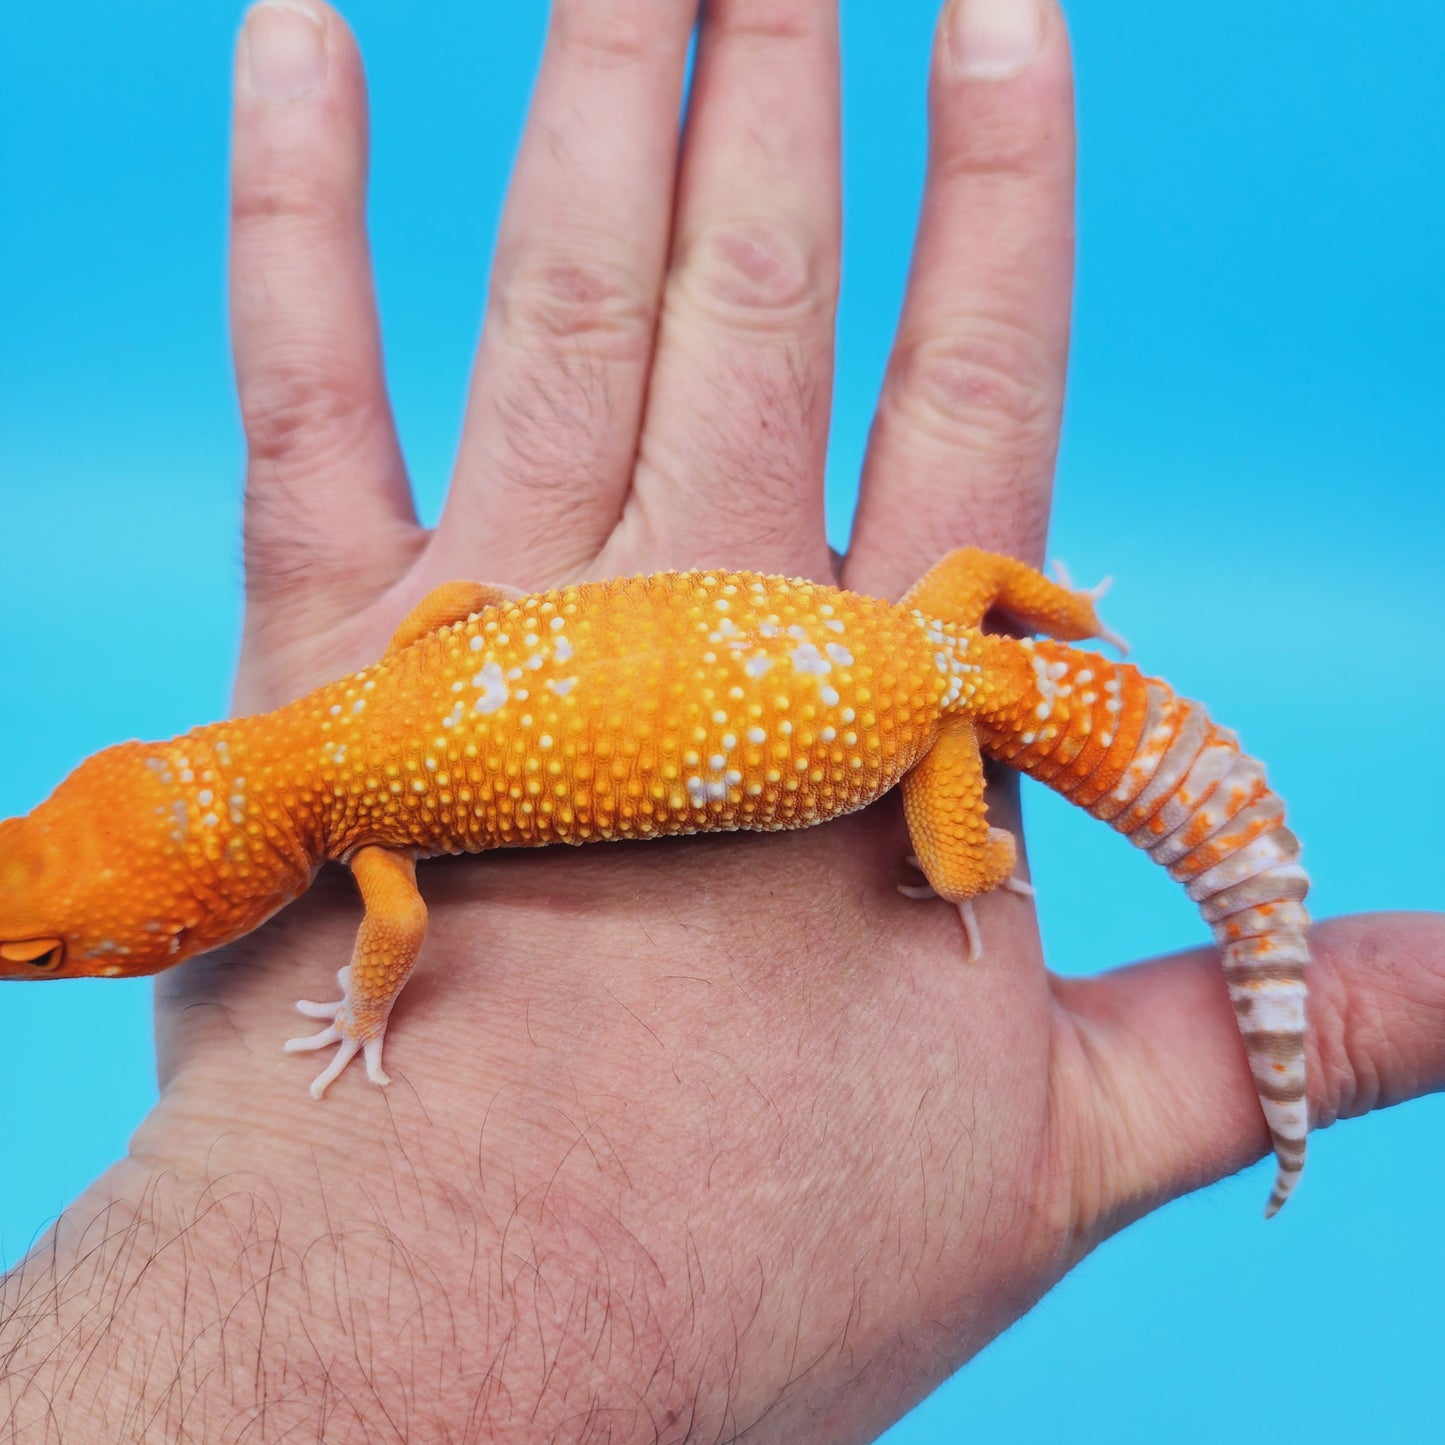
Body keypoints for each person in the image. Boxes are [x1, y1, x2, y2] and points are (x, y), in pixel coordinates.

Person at [3, 1, 1441, 1437]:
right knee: (963, 630)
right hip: (939, 635)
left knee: (953, 863)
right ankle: (1070, 619)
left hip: (929, 730)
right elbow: (459, 611)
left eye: (56, 952)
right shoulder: (383, 682)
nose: (50, 962)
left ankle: (971, 867)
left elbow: (394, 936)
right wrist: (1051, 613)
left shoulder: (375, 855)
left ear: (196, 910)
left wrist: (362, 1014)